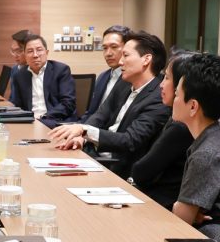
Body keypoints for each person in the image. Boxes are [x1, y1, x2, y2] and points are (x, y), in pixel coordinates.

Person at [48, 31, 169, 176]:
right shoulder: (124, 83)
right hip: (95, 154)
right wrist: (81, 138)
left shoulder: (159, 97)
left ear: (146, 59)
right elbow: (101, 115)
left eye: (126, 55)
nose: (120, 62)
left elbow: (130, 140)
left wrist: (84, 130)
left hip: (119, 168)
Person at [171, 54, 220, 242]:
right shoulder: (214, 136)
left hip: (215, 241)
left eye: (177, 95)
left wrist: (183, 209)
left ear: (193, 106)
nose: (174, 100)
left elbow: (180, 218)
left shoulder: (207, 153)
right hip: (209, 232)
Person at [129, 51, 194, 209]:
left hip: (160, 205)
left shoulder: (181, 127)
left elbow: (141, 172)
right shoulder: (176, 118)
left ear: (181, 85)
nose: (161, 84)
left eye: (167, 78)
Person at [8, 33, 77, 127]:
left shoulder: (61, 70)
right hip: (30, 122)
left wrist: (43, 117)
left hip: (56, 120)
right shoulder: (19, 75)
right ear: (25, 55)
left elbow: (68, 104)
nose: (35, 55)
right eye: (30, 51)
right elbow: (16, 104)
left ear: (46, 52)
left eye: (39, 50)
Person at [78, 25, 130, 122]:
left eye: (114, 47)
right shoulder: (103, 76)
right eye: (105, 48)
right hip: (91, 126)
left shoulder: (132, 79)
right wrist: (78, 125)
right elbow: (91, 112)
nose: (108, 53)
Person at [6, 29, 31, 104]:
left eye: (19, 51)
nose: (15, 55)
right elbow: (12, 98)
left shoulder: (36, 71)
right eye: (13, 51)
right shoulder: (15, 69)